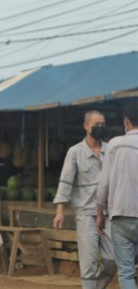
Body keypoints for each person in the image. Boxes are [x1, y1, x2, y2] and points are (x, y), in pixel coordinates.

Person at [52, 110, 116, 289]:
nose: (100, 127)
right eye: (97, 124)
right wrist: (59, 213)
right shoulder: (75, 152)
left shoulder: (110, 149)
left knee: (112, 260)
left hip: (108, 214)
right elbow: (65, 182)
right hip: (86, 215)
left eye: (103, 124)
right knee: (89, 263)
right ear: (86, 126)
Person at [96, 104, 138, 289]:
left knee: (126, 272)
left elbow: (104, 182)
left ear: (126, 122)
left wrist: (99, 212)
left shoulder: (114, 144)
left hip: (120, 215)